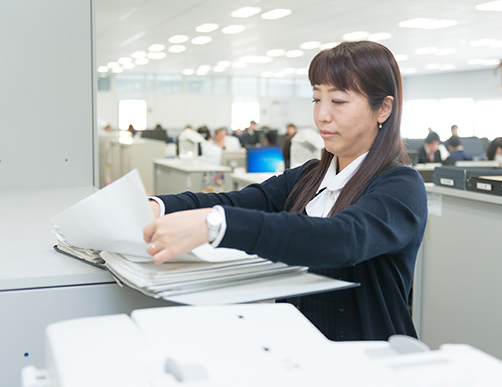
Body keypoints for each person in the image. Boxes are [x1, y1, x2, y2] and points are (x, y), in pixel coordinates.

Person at [144, 41, 428, 342]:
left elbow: (341, 238)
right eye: (317, 99)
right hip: (299, 345)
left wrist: (215, 225)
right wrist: (155, 207)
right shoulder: (308, 178)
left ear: (383, 108)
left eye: (339, 101)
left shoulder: (400, 186)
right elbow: (234, 201)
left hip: (370, 355)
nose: (322, 115)